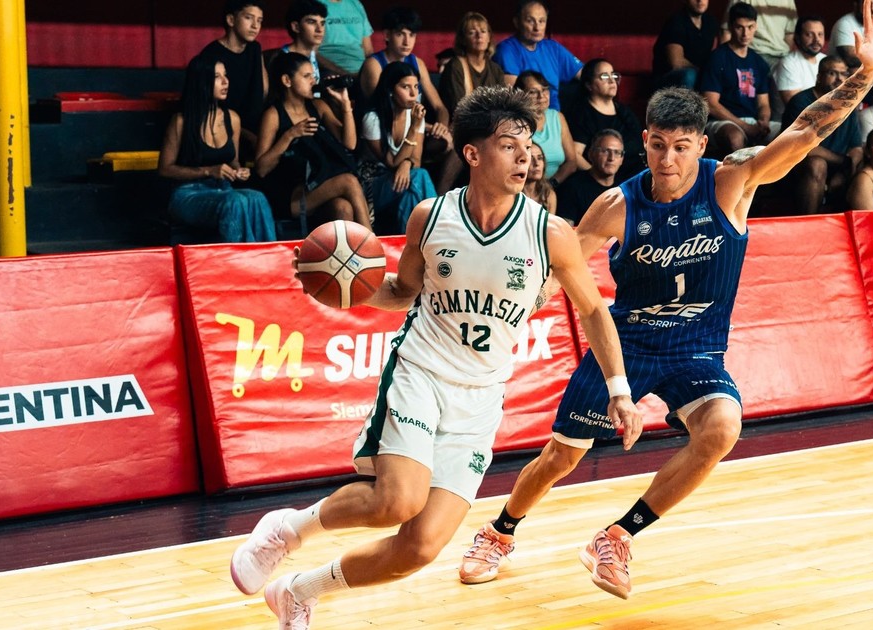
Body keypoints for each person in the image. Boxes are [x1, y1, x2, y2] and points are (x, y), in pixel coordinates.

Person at [457, 0, 873, 599]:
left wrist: (868, 72)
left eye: (682, 147)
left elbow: (805, 131)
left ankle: (617, 536)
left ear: (702, 145)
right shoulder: (617, 205)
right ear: (644, 140)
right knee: (561, 456)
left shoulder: (732, 181)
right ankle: (500, 530)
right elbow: (559, 272)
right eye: (659, 145)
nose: (668, 160)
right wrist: (507, 308)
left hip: (696, 350)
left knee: (722, 427)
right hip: (627, 346)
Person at [231, 86, 642, 629]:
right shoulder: (431, 216)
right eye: (509, 145)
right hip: (421, 372)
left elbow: (592, 310)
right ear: (472, 153)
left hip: (481, 398)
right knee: (397, 502)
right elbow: (402, 291)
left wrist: (619, 391)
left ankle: (297, 591)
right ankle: (286, 530)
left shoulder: (550, 233)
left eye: (528, 147)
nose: (524, 158)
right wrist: (342, 290)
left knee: (420, 547)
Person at [158, 55, 276, 242]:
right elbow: (165, 169)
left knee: (257, 198)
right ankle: (238, 257)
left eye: (225, 75)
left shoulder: (233, 119)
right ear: (201, 82)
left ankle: (267, 256)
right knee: (235, 202)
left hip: (223, 189)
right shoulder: (181, 122)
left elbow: (233, 161)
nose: (225, 81)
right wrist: (208, 171)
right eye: (217, 76)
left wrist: (238, 171)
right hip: (188, 194)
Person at [256, 52, 372, 231]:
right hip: (292, 197)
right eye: (306, 76)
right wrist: (290, 135)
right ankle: (371, 240)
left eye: (313, 75)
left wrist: (345, 105)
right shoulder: (273, 115)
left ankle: (349, 249)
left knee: (343, 208)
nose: (313, 80)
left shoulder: (318, 106)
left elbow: (349, 144)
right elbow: (261, 169)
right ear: (287, 80)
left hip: (320, 187)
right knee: (348, 181)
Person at [358, 62, 438, 235]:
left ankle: (406, 240)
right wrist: (413, 128)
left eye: (416, 87)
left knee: (410, 195)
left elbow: (416, 161)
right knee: (419, 176)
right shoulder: (372, 118)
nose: (413, 94)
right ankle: (440, 226)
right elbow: (392, 162)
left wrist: (407, 164)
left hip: (403, 180)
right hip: (373, 184)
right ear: (390, 90)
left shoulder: (415, 116)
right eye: (405, 87)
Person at [779, 55, 864, 214]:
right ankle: (810, 224)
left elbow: (856, 148)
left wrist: (844, 172)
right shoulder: (801, 102)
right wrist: (843, 163)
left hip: (837, 167)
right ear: (819, 77)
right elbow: (804, 148)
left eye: (844, 74)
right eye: (832, 73)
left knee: (870, 162)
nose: (839, 79)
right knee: (817, 164)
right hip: (796, 166)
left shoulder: (849, 103)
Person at [701, 2, 776, 155]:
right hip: (722, 121)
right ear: (730, 27)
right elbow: (711, 104)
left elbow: (763, 103)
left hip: (752, 121)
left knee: (789, 133)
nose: (745, 33)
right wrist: (745, 126)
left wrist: (763, 122)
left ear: (755, 27)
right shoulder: (718, 58)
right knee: (734, 137)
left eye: (750, 27)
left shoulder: (758, 62)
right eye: (739, 27)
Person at [198, 0, 269, 160]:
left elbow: (263, 91)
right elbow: (207, 111)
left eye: (259, 20)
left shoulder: (255, 49)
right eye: (248, 18)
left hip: (255, 130)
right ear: (231, 20)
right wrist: (249, 136)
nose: (255, 26)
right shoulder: (211, 55)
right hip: (221, 132)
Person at [359, 8, 448, 133]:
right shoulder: (374, 65)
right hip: (383, 132)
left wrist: (441, 128)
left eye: (411, 35)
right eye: (400, 34)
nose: (407, 42)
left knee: (447, 140)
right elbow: (383, 110)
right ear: (387, 35)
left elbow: (440, 108)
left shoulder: (418, 63)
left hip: (416, 130)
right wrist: (426, 127)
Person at [493, 0, 582, 111]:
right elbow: (514, 100)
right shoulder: (507, 50)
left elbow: (587, 74)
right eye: (530, 21)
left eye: (541, 21)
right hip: (527, 115)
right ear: (517, 22)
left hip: (554, 115)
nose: (537, 27)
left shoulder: (553, 48)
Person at [565, 58, 645, 179]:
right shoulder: (581, 115)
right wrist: (601, 179)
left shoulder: (625, 112)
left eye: (613, 75)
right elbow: (576, 155)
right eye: (604, 76)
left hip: (634, 176)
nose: (612, 81)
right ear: (589, 85)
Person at [515, 70, 582, 185]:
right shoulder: (514, 123)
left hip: (556, 186)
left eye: (545, 90)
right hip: (524, 186)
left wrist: (550, 186)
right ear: (520, 95)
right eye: (533, 92)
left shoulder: (557, 117)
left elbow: (571, 162)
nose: (541, 96)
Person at [438, 12, 507, 116]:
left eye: (483, 31)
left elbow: (503, 105)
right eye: (472, 32)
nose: (479, 36)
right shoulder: (456, 66)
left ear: (489, 37)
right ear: (463, 40)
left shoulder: (495, 69)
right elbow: (459, 109)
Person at [265, 0, 345, 85]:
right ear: (296, 27)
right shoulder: (274, 60)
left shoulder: (323, 61)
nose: (320, 29)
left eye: (322, 23)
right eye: (312, 22)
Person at [556, 129, 625, 225]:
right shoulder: (572, 187)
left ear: (622, 159)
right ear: (591, 154)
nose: (611, 158)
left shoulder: (624, 189)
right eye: (605, 151)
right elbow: (565, 229)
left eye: (617, 152)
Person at [651, 0, 719, 90]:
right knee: (690, 75)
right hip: (667, 81)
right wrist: (704, 73)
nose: (700, 1)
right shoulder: (676, 22)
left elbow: (716, 57)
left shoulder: (710, 22)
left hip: (698, 75)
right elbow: (676, 63)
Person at [771, 15, 826, 105]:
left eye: (820, 34)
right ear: (797, 37)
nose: (816, 39)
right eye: (809, 34)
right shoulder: (788, 63)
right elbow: (796, 105)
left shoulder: (825, 59)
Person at [317, 0, 372, 76]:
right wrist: (346, 75)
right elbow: (311, 52)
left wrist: (371, 72)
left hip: (362, 73)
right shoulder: (315, 4)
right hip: (330, 72)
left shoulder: (355, 3)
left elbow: (368, 50)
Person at [523, 143, 557, 212]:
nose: (537, 163)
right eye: (531, 158)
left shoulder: (548, 194)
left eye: (540, 158)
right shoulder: (510, 196)